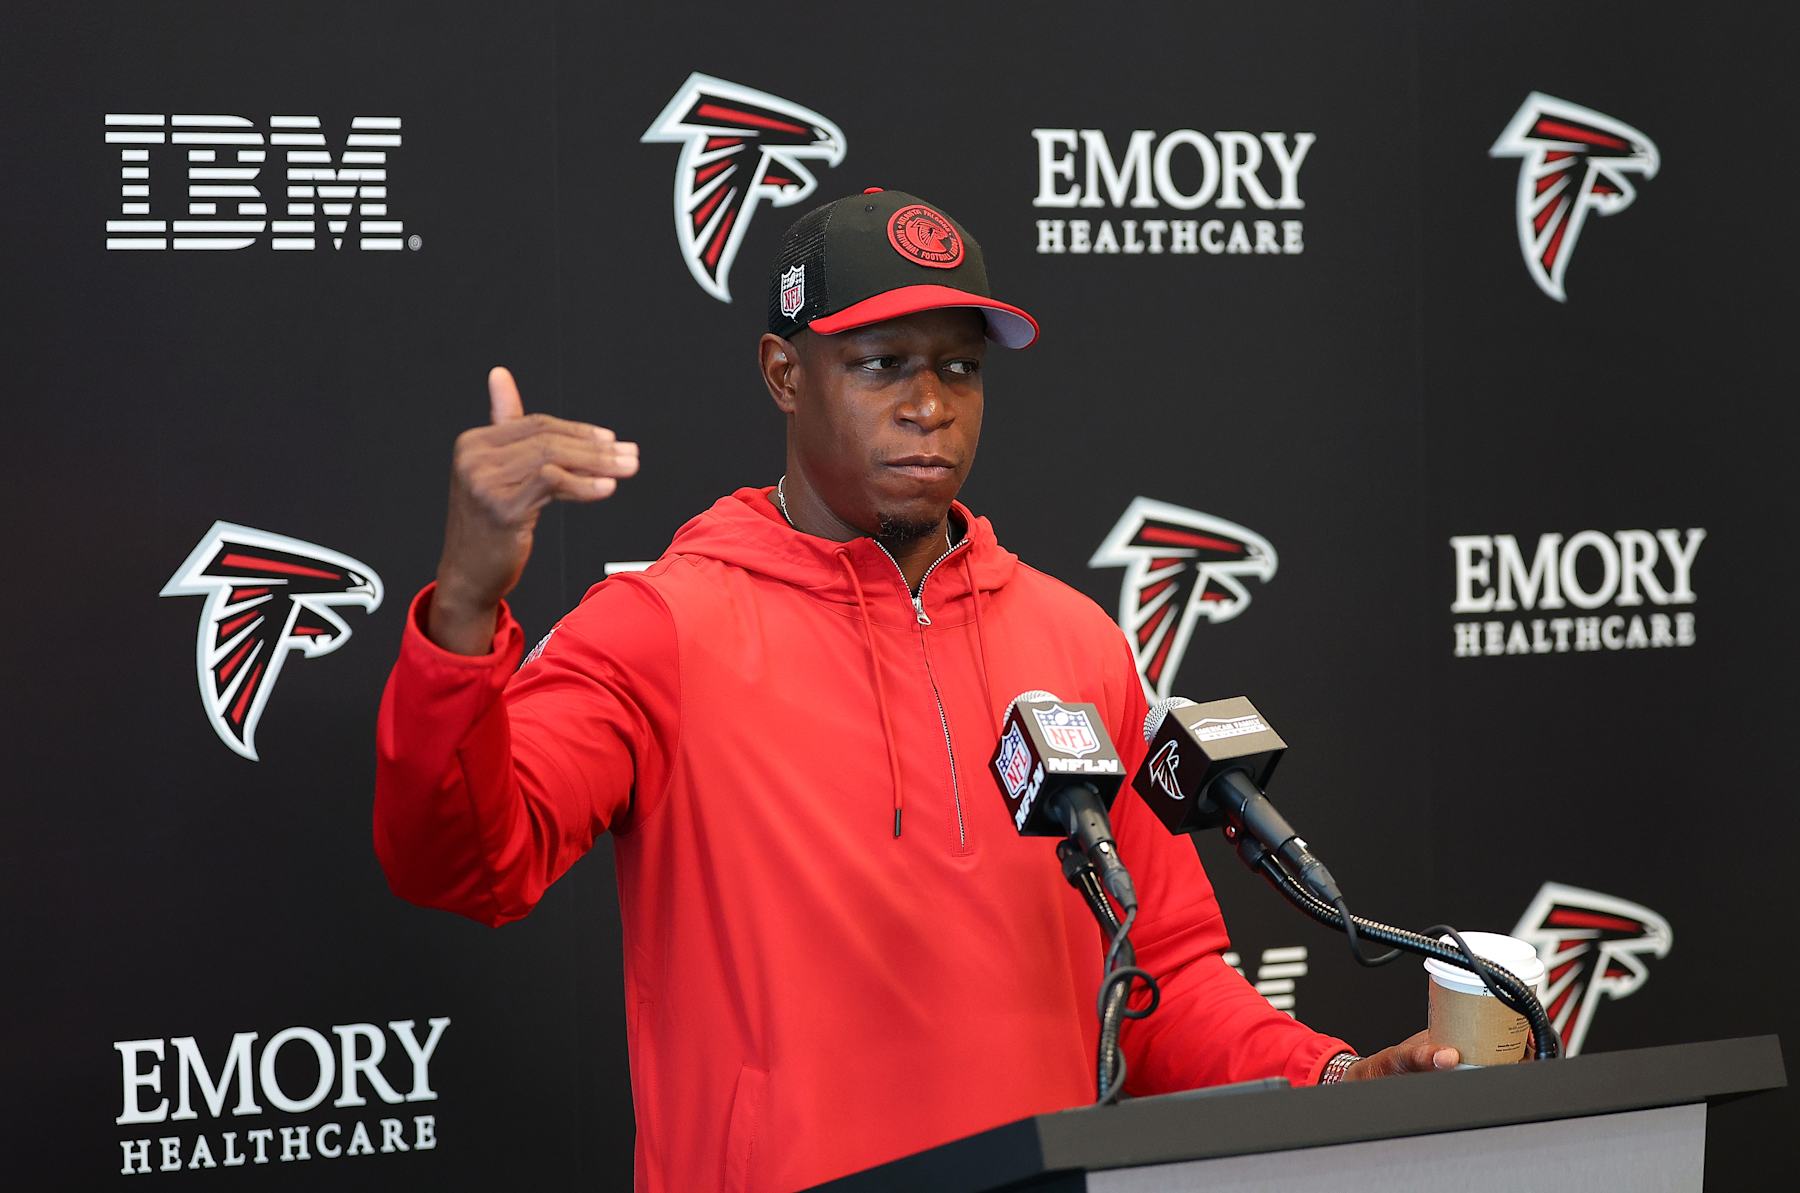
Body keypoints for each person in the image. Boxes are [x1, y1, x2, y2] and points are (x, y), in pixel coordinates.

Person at [372, 188, 1458, 1193]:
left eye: (960, 369)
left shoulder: (1073, 638)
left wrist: (1329, 1079)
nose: (930, 405)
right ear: (784, 373)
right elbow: (460, 860)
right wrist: (464, 607)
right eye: (882, 364)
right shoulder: (664, 627)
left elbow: (1161, 970)